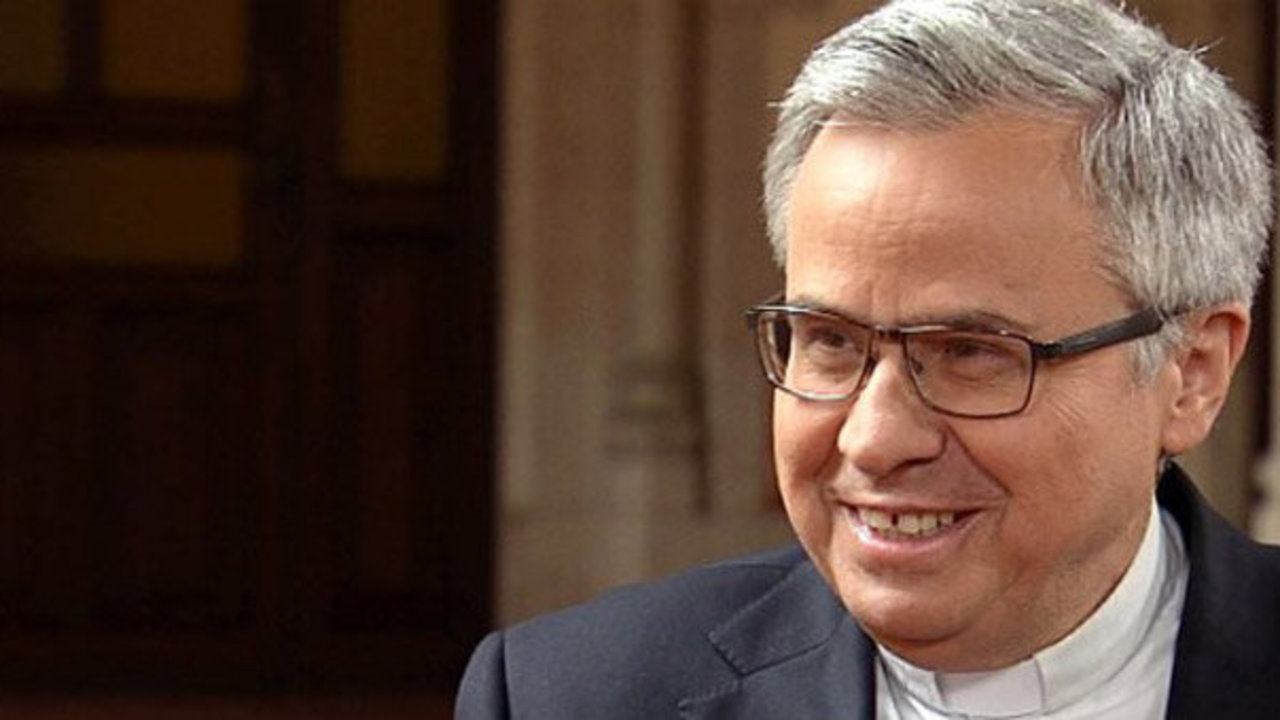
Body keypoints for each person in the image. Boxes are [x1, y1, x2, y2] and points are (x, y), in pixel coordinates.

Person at [457, 0, 1280, 717]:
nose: (874, 439)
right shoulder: (566, 697)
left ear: (1192, 373)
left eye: (969, 353)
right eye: (831, 342)